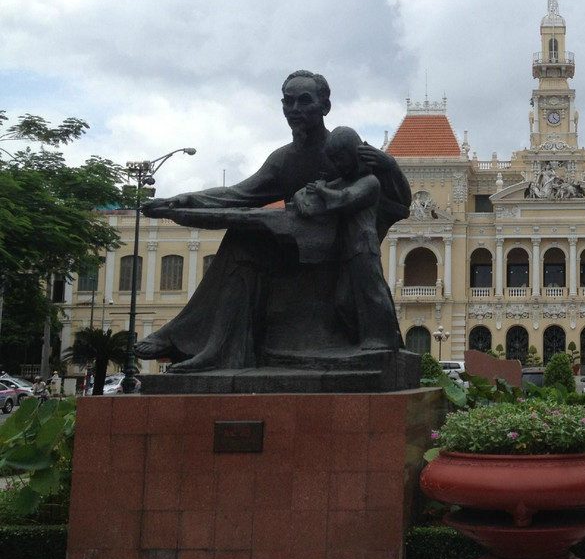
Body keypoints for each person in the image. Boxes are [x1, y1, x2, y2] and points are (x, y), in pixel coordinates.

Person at [136, 70, 411, 373]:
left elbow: (398, 199)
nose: (295, 109)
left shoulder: (344, 148)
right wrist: (183, 200)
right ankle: (215, 349)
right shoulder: (283, 159)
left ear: (325, 106)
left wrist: (389, 165)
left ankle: (188, 339)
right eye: (288, 102)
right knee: (242, 241)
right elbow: (238, 194)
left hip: (340, 255)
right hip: (294, 249)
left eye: (304, 101)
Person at [293, 126, 403, 350]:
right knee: (343, 301)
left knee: (372, 293)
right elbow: (307, 190)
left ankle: (383, 339)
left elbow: (344, 199)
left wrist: (322, 191)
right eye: (333, 159)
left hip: (364, 246)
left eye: (340, 158)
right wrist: (300, 197)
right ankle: (357, 339)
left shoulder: (370, 182)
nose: (337, 164)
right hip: (347, 248)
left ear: (354, 154)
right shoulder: (344, 181)